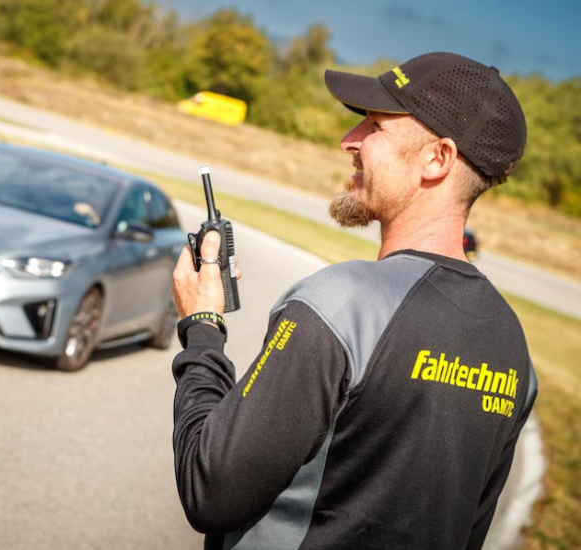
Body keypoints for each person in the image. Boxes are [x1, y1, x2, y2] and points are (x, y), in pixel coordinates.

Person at [171, 52, 538, 550]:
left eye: (375, 126)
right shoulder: (513, 349)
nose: (350, 140)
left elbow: (209, 489)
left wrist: (202, 327)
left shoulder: (341, 305)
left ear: (437, 159)